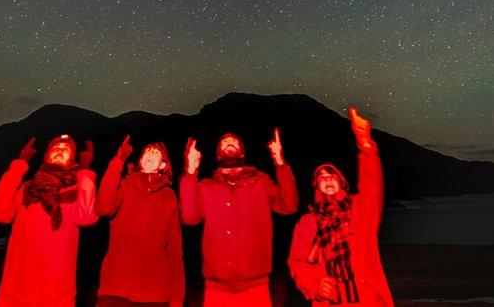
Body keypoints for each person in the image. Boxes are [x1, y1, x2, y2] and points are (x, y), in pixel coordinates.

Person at [179, 129, 299, 307]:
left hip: (256, 286)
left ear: (242, 152)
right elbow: (189, 217)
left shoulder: (260, 182)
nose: (229, 143)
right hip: (216, 288)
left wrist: (280, 163)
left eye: (233, 142)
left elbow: (289, 206)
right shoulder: (206, 186)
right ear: (218, 154)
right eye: (224, 142)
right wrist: (190, 173)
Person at [287, 107, 394, 306]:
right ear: (316, 186)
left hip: (366, 298)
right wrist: (315, 285)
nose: (327, 180)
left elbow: (372, 187)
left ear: (341, 182)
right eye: (322, 178)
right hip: (330, 301)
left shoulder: (359, 211)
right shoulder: (307, 223)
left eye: (332, 176)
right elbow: (297, 262)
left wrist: (365, 145)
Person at [0, 134, 98, 307]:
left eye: (66, 149)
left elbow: (86, 217)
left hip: (57, 293)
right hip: (17, 291)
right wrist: (20, 164)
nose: (60, 151)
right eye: (56, 148)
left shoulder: (78, 189)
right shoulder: (27, 188)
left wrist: (85, 170)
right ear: (46, 156)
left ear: (72, 158)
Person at [95, 135, 185, 307]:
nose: (150, 154)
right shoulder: (124, 185)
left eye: (156, 152)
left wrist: (177, 297)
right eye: (147, 152)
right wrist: (117, 161)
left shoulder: (168, 196)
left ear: (163, 165)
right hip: (115, 287)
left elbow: (174, 247)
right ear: (140, 160)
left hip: (155, 293)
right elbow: (104, 208)